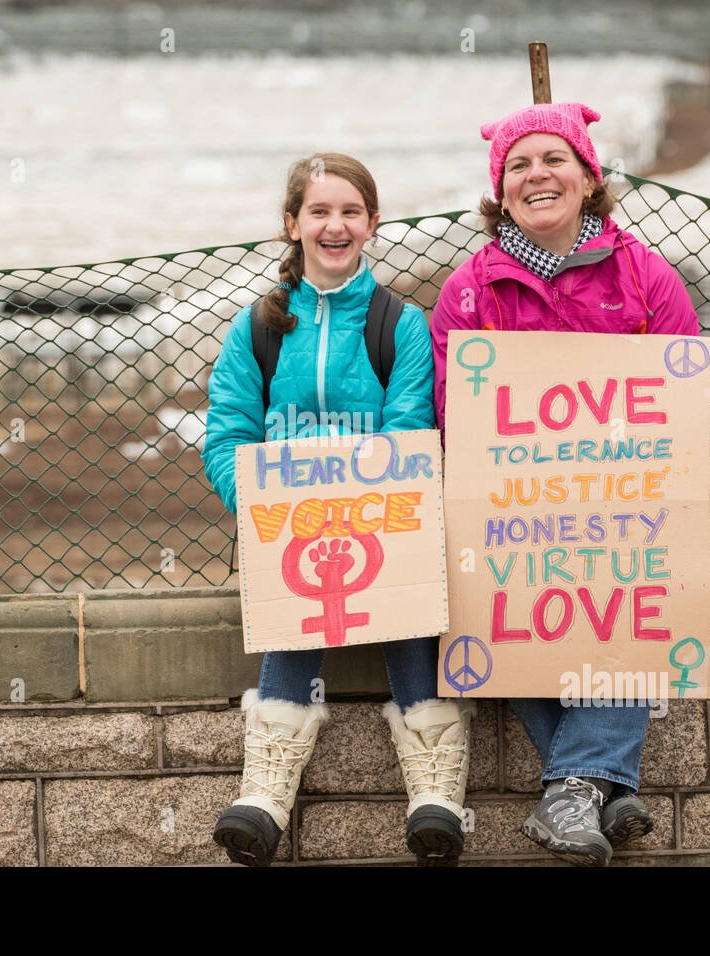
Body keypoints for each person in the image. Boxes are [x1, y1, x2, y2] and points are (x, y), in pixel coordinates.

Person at [429, 103, 700, 866]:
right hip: (513, 507)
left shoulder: (646, 278)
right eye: (519, 164)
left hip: (623, 506)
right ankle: (599, 787)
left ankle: (575, 788)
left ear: (588, 177)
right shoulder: (469, 293)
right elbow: (455, 409)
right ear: (500, 188)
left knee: (631, 584)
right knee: (499, 598)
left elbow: (679, 391)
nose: (536, 174)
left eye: (554, 159)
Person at [202, 153, 474, 867]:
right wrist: (261, 502)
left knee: (414, 612)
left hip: (382, 523)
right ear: (292, 225)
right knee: (293, 616)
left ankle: (436, 794)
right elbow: (228, 434)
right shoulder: (255, 330)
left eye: (351, 211)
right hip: (292, 531)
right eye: (319, 211)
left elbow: (412, 428)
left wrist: (364, 506)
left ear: (373, 224)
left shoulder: (400, 325)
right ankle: (264, 796)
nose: (335, 224)